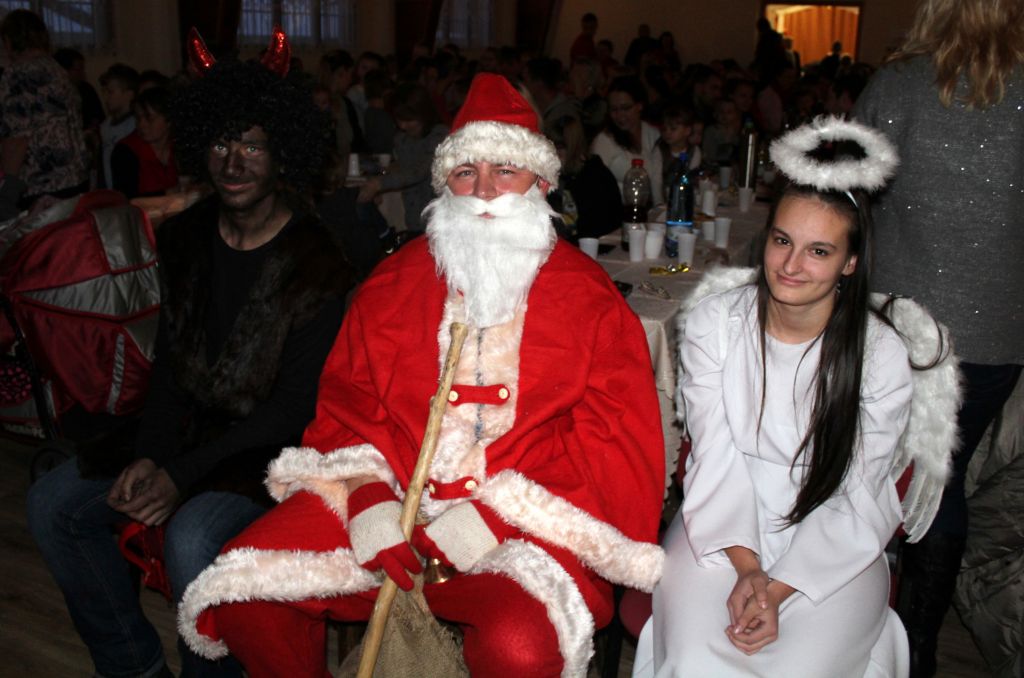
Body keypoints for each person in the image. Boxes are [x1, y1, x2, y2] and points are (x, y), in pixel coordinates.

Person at [177, 72, 665, 678]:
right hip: (393, 492)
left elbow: (615, 443)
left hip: (528, 517)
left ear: (540, 183)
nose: (483, 192)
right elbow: (349, 402)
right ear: (444, 184)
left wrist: (497, 515)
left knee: (519, 644)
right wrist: (368, 496)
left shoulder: (590, 298)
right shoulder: (393, 281)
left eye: (504, 171)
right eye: (465, 173)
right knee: (246, 596)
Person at [26, 31, 354, 678]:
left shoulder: (319, 262)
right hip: (185, 431)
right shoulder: (183, 238)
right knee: (50, 504)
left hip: (270, 455)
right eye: (221, 143)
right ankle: (134, 665)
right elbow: (171, 368)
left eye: (252, 145)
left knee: (192, 535)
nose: (233, 162)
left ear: (281, 153)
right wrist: (152, 455)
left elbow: (292, 410)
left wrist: (178, 475)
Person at [634, 117, 920, 677]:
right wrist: (748, 568)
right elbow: (715, 456)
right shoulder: (715, 324)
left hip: (836, 542)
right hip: (721, 523)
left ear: (850, 262)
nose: (790, 266)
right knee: (696, 660)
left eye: (819, 251)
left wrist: (780, 588)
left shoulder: (879, 353)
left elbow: (860, 488)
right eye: (782, 241)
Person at [852, 0, 1024, 675]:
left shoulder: (901, 84)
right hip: (999, 334)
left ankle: (889, 642)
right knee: (938, 476)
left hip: (904, 329)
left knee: (902, 476)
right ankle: (911, 644)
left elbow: (845, 190)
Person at [0, 9, 88, 213]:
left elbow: (16, 138)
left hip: (40, 188)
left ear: (9, 41)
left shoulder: (16, 75)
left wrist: (7, 194)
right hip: (76, 180)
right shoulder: (57, 70)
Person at [357, 82, 448, 233]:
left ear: (423, 114)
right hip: (413, 218)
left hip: (439, 221)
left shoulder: (440, 136)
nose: (403, 125)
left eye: (408, 120)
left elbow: (419, 171)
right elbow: (404, 167)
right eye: (399, 120)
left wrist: (379, 184)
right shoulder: (402, 138)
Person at [591, 75, 665, 205]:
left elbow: (658, 183)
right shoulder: (604, 140)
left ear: (639, 106)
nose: (620, 115)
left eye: (626, 108)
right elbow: (594, 187)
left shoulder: (653, 135)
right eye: (614, 109)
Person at [110, 86, 178, 199]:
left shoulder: (179, 146)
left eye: (149, 118)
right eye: (138, 118)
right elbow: (127, 199)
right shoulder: (125, 151)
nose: (141, 124)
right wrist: (168, 193)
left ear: (169, 120)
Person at [98, 63, 140, 189]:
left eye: (111, 92)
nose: (106, 97)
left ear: (129, 94)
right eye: (104, 92)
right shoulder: (105, 126)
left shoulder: (135, 125)